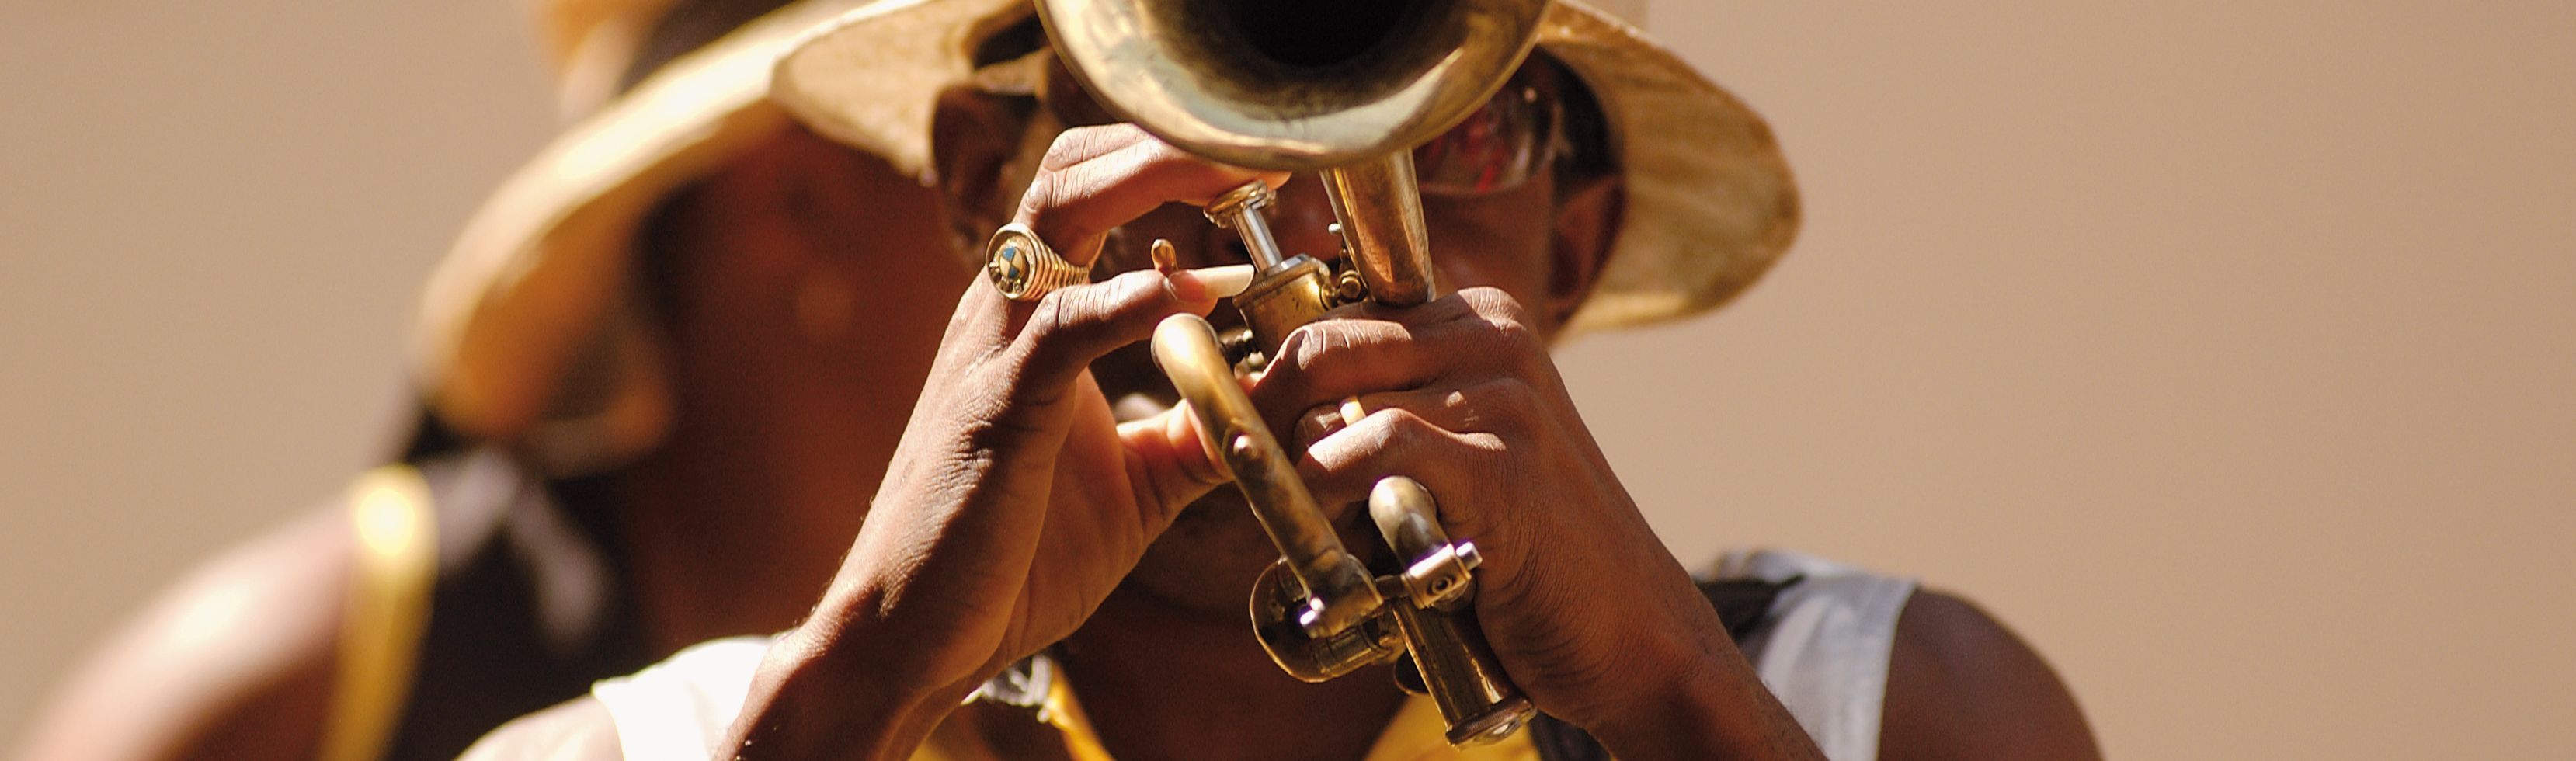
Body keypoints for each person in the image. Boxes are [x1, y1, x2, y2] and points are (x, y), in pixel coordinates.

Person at [21, 0, 2096, 759]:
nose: (1299, 213)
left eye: (1450, 132)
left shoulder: (1897, 711)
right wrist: (855, 689)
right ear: (973, 184)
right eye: (1188, 102)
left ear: (1574, 239)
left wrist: (1674, 712)